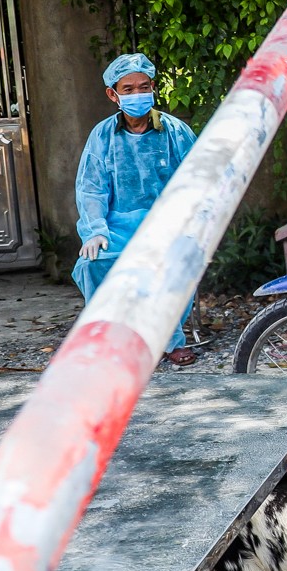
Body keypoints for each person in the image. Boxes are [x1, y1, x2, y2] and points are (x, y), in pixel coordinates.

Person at [74, 53, 200, 366]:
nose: (137, 94)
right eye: (127, 89)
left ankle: (170, 340)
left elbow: (199, 179)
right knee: (92, 264)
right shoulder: (102, 136)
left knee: (181, 262)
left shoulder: (175, 131)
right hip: (118, 229)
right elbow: (91, 188)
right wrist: (95, 230)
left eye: (143, 87)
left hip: (167, 227)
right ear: (112, 94)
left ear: (154, 88)